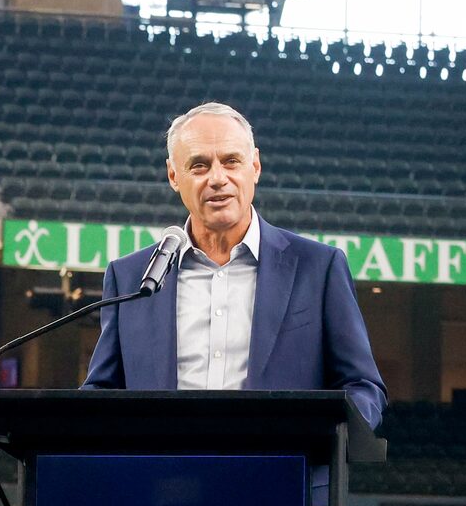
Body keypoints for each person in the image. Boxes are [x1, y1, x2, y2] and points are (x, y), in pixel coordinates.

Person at [84, 102, 387, 460]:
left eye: (231, 161)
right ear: (173, 176)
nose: (217, 178)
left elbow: (363, 387)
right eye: (199, 165)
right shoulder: (132, 278)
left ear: (255, 166)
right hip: (160, 491)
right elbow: (101, 393)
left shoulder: (318, 269)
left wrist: (326, 438)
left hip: (282, 489)